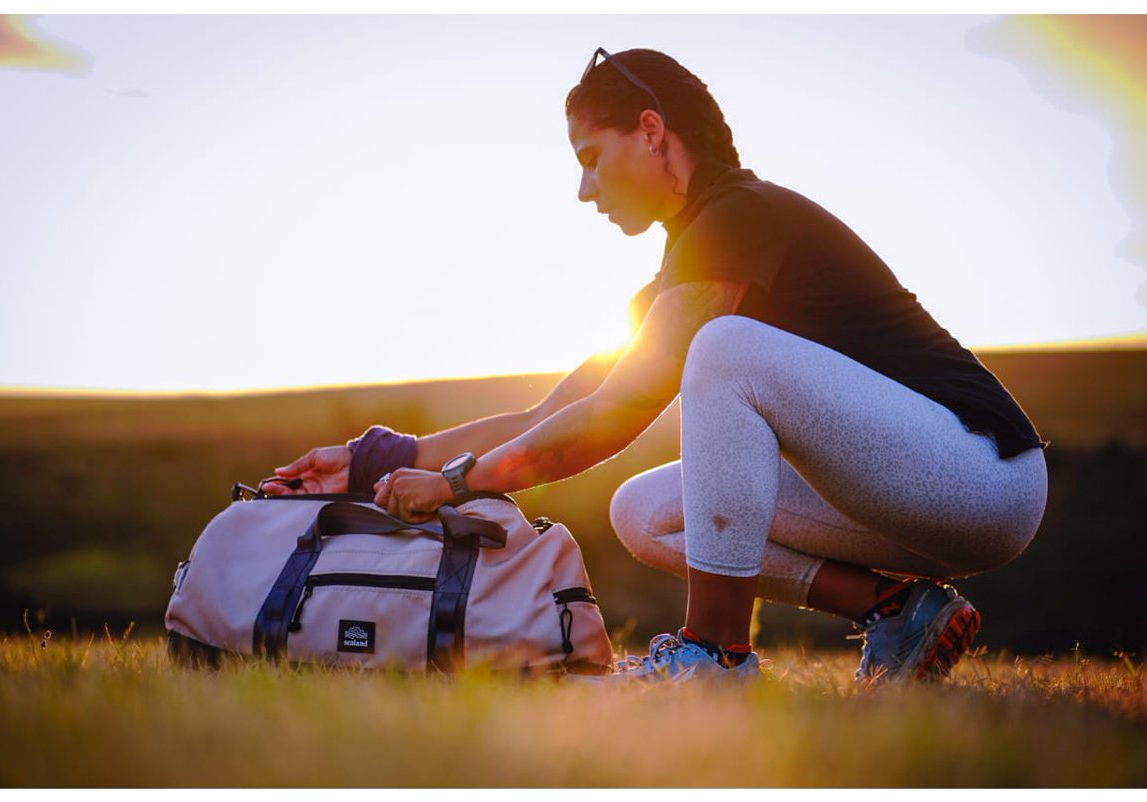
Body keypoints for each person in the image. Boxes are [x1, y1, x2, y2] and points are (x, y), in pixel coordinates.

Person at [267, 47, 1048, 685]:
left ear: (650, 130)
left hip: (980, 477)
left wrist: (458, 484)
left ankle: (712, 656)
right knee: (645, 511)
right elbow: (552, 416)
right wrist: (372, 458)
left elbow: (616, 415)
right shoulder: (690, 264)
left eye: (591, 157)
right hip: (901, 492)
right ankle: (897, 610)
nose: (584, 190)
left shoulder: (738, 216)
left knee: (725, 350)